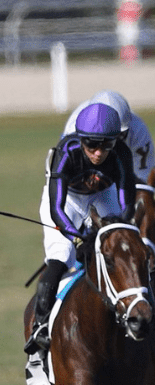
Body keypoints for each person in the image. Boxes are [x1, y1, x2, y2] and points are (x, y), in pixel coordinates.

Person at [25, 102, 136, 358]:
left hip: (103, 196)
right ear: (80, 139)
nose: (98, 153)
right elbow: (56, 207)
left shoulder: (121, 154)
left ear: (115, 141)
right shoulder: (67, 151)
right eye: (91, 145)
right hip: (68, 202)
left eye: (106, 145)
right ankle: (39, 328)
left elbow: (126, 206)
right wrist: (77, 237)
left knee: (121, 249)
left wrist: (110, 229)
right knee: (61, 254)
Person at [63, 90, 153, 185]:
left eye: (118, 136)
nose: (112, 141)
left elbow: (143, 177)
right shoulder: (75, 126)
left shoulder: (137, 130)